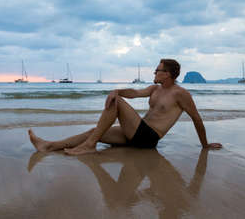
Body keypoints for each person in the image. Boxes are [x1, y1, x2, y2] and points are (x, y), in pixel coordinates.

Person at [29, 59, 222, 155]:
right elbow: (135, 93)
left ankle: (89, 146)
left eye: (158, 69)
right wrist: (118, 90)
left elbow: (196, 118)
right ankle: (48, 145)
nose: (154, 71)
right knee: (94, 130)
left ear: (169, 74)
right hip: (136, 134)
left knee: (117, 103)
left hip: (149, 138)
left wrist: (205, 145)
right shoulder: (154, 88)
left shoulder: (180, 94)